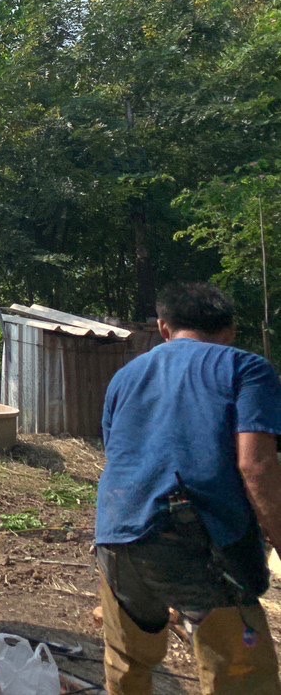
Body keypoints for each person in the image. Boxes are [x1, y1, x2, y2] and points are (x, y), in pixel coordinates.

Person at [96, 282, 281, 694]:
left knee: (127, 662)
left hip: (117, 533)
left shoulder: (125, 377)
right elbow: (256, 465)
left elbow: (120, 456)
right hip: (195, 537)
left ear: (164, 328)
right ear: (230, 330)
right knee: (241, 674)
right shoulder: (247, 368)